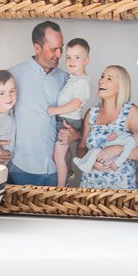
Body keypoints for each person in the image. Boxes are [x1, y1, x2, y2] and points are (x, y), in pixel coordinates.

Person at [0, 20, 73, 185]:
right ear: (37, 48)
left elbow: (73, 123)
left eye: (61, 48)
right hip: (21, 169)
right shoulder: (13, 75)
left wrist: (74, 134)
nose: (59, 54)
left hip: (55, 170)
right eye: (53, 49)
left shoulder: (66, 79)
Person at [74, 65, 138, 188]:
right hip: (91, 186)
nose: (101, 81)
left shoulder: (131, 112)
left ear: (120, 86)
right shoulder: (92, 113)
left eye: (109, 78)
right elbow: (81, 148)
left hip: (121, 188)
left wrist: (117, 149)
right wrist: (91, 162)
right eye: (102, 76)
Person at [47, 36, 92, 186]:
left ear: (86, 61)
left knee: (57, 156)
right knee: (64, 152)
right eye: (68, 57)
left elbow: (75, 104)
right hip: (65, 119)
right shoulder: (73, 78)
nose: (71, 61)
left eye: (77, 58)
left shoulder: (81, 82)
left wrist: (54, 110)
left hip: (69, 121)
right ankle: (70, 170)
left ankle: (61, 187)